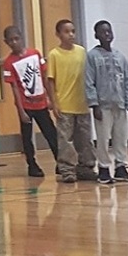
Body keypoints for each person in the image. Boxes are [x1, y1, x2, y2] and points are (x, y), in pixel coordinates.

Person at [85, 20, 128, 185]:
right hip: (103, 106)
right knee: (103, 139)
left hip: (120, 105)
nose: (107, 35)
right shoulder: (92, 57)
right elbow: (88, 82)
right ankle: (103, 168)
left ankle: (121, 167)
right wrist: (94, 105)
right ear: (96, 35)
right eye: (103, 32)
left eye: (109, 31)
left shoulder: (120, 56)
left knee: (121, 138)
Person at [1, 26, 59, 178]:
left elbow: (44, 76)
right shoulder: (8, 63)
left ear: (21, 37)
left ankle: (60, 162)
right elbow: (14, 87)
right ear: (6, 42)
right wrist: (21, 110)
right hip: (26, 105)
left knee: (51, 133)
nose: (14, 42)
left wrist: (50, 98)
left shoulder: (35, 54)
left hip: (41, 103)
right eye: (11, 40)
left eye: (16, 39)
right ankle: (32, 164)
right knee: (26, 137)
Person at [46, 19, 97, 183]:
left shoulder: (82, 52)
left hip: (82, 104)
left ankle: (86, 167)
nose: (71, 35)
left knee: (84, 139)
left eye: (73, 31)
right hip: (65, 105)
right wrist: (54, 103)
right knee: (65, 140)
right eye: (66, 32)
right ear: (58, 34)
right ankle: (67, 169)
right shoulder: (54, 54)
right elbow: (51, 81)